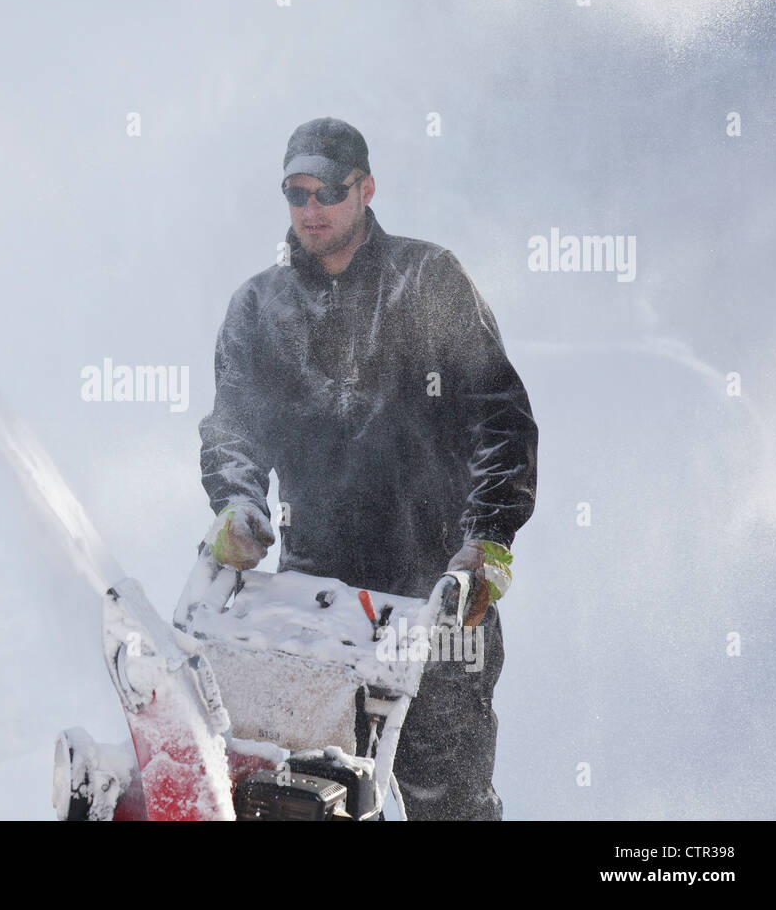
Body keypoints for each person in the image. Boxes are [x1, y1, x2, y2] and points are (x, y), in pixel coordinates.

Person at [199, 117, 538, 820]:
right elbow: (234, 428)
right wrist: (237, 503)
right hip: (318, 604)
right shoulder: (261, 309)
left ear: (366, 189)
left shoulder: (428, 279)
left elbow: (499, 417)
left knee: (450, 797)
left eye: (328, 190)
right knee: (313, 794)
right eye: (297, 192)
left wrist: (490, 538)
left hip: (436, 596)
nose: (312, 208)